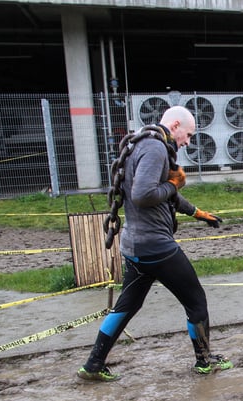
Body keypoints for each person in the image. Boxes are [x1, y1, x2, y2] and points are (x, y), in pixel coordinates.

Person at [78, 105, 232, 381]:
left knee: (127, 306)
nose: (187, 142)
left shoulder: (140, 143)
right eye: (187, 135)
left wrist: (196, 213)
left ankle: (93, 365)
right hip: (156, 247)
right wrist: (175, 185)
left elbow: (164, 193)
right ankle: (205, 361)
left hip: (135, 247)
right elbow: (144, 194)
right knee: (196, 301)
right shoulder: (156, 148)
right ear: (174, 126)